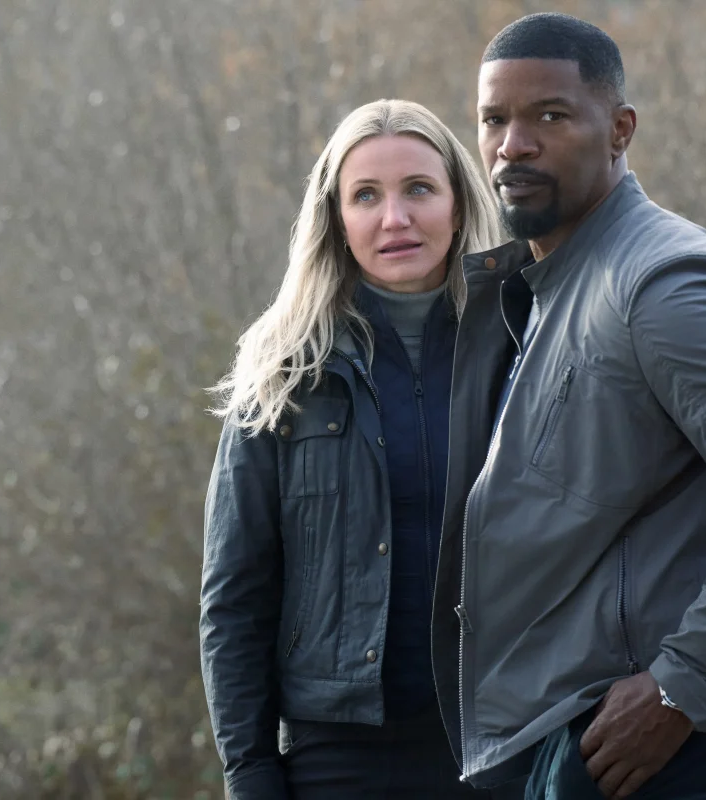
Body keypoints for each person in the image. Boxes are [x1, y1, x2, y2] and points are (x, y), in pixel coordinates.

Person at [429, 13, 706, 800]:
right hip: (588, 729)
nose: (512, 145)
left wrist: (682, 686)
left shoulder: (664, 285)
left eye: (549, 117)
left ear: (620, 130)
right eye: (494, 120)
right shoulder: (547, 287)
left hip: (672, 743)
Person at [199, 99, 517, 799]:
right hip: (337, 757)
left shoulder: (524, 345)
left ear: (459, 204)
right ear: (337, 219)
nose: (394, 218)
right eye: (366, 196)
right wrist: (249, 771)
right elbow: (236, 596)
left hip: (508, 742)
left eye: (419, 189)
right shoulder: (284, 370)